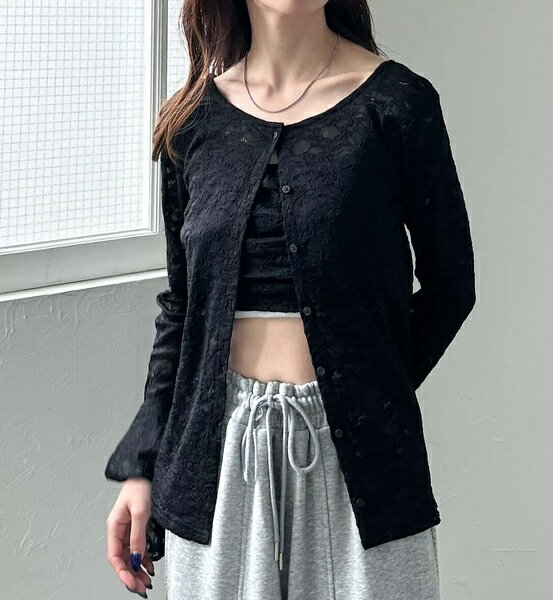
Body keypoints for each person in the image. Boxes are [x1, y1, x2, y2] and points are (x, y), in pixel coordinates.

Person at [104, 1, 476, 599]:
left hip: (362, 463)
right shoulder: (191, 122)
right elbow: (183, 307)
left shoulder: (399, 104)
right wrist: (141, 466)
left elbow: (452, 283)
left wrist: (365, 389)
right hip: (215, 456)